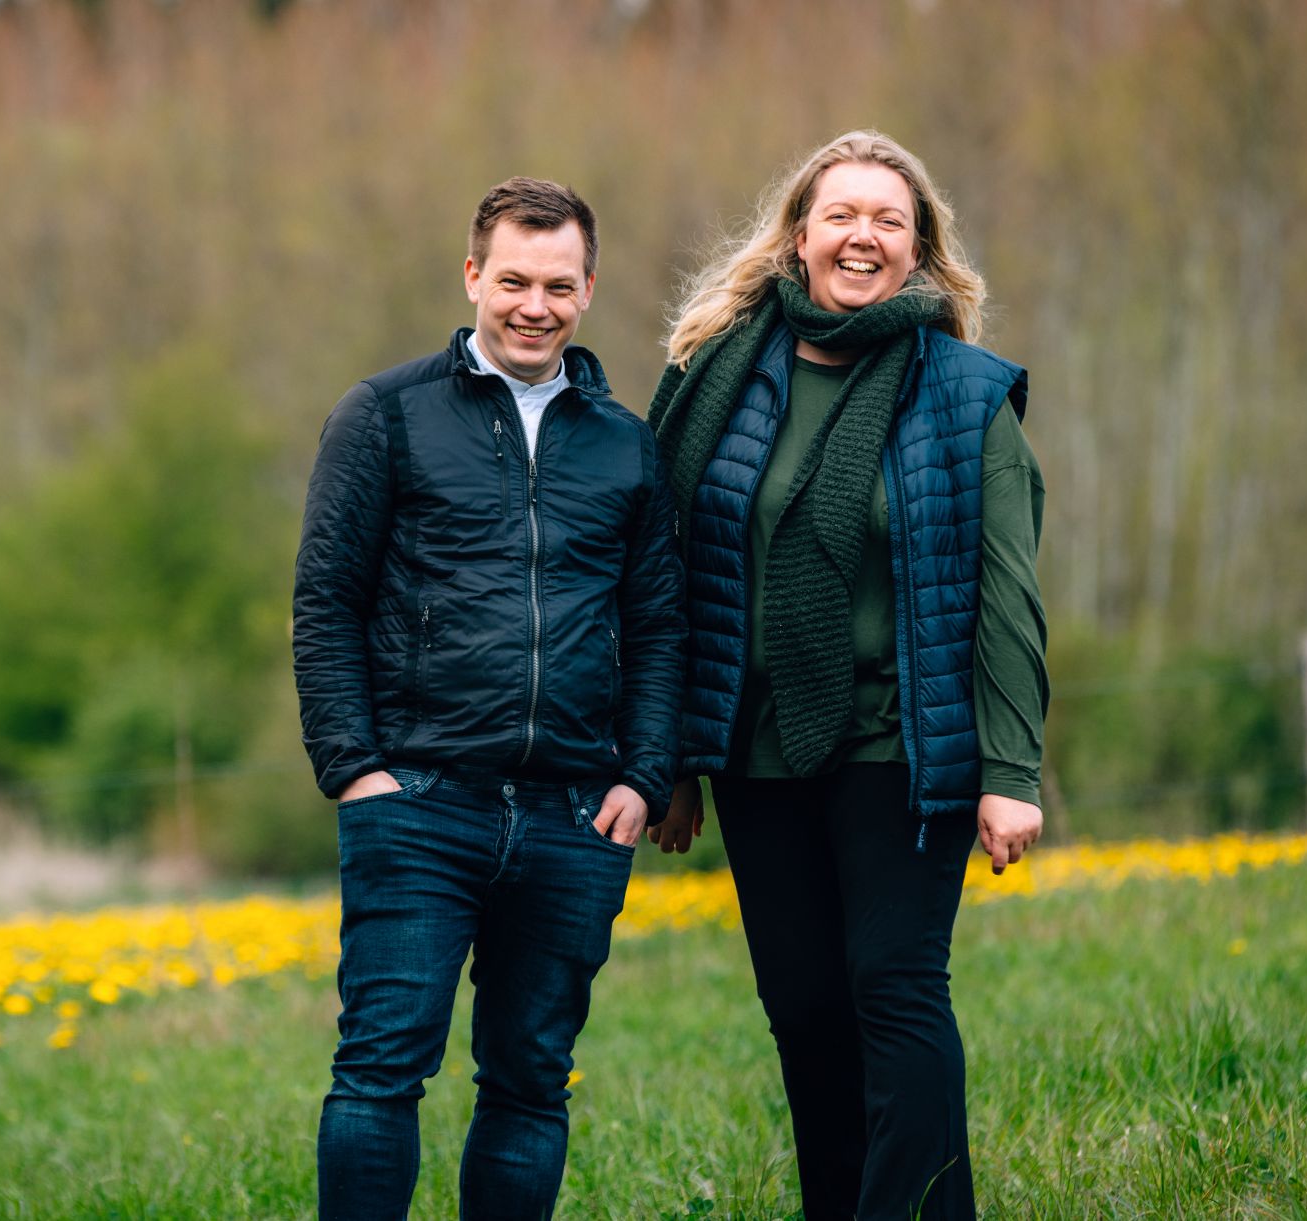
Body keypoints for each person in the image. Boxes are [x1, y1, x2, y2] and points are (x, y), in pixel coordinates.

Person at [644, 130, 1047, 1219]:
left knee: (895, 990)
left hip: (904, 748)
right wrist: (670, 756)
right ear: (798, 236)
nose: (862, 235)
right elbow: (668, 573)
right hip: (755, 754)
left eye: (889, 220)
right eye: (841, 215)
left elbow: (1005, 594)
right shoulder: (710, 378)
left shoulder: (963, 395)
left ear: (920, 253)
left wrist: (1011, 768)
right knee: (807, 1008)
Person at [293, 177, 683, 1220]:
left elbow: (656, 627)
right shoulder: (385, 415)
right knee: (382, 1068)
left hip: (572, 817)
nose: (533, 306)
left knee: (529, 1082)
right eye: (513, 280)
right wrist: (356, 772)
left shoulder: (625, 444)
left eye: (559, 285)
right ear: (473, 275)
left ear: (589, 290)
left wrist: (644, 776)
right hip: (417, 801)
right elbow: (326, 601)